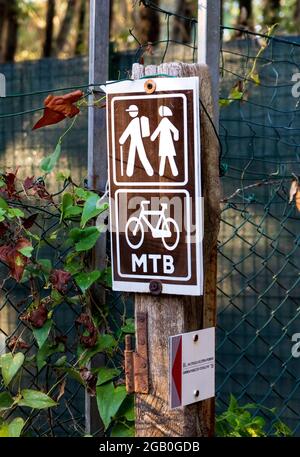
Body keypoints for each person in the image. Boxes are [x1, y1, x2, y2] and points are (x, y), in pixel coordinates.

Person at [119, 105, 153, 177]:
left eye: (130, 112)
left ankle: (148, 171)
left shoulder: (134, 121)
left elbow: (127, 132)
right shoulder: (136, 121)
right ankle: (149, 171)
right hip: (136, 141)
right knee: (139, 156)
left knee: (136, 156)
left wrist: (122, 140)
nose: (129, 113)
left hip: (136, 140)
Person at [150, 105, 179, 177]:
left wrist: (153, 137)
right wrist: (153, 137)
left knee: (167, 157)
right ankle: (166, 172)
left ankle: (168, 172)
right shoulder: (164, 121)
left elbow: (175, 130)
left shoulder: (165, 121)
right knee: (166, 157)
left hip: (167, 143)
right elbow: (158, 131)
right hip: (165, 143)